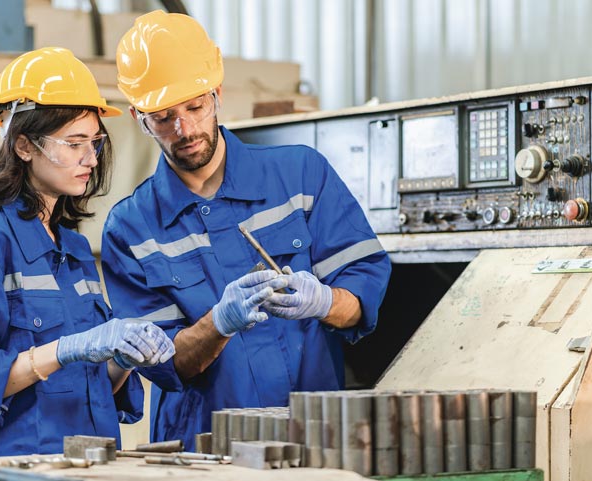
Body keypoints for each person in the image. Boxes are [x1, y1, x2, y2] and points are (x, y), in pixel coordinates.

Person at [102, 11, 391, 449]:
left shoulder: (300, 176)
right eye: (162, 117)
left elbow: (362, 301)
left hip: (314, 435)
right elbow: (166, 365)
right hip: (201, 450)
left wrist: (323, 300)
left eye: (195, 106)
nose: (185, 129)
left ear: (217, 92)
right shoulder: (132, 228)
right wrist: (220, 322)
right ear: (138, 118)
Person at [0, 47, 175, 459]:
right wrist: (62, 350)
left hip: (90, 470)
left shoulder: (73, 250)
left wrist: (123, 359)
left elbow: (94, 386)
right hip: (15, 476)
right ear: (24, 146)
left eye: (94, 142)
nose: (90, 158)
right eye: (74, 143)